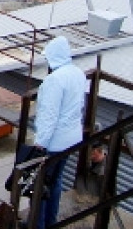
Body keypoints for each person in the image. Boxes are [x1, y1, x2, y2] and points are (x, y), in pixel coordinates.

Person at [32, 35, 86, 228]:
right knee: (55, 182)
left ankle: (38, 224)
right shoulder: (78, 74)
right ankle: (50, 221)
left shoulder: (54, 80)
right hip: (72, 138)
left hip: (54, 141)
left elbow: (49, 115)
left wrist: (40, 143)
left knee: (40, 186)